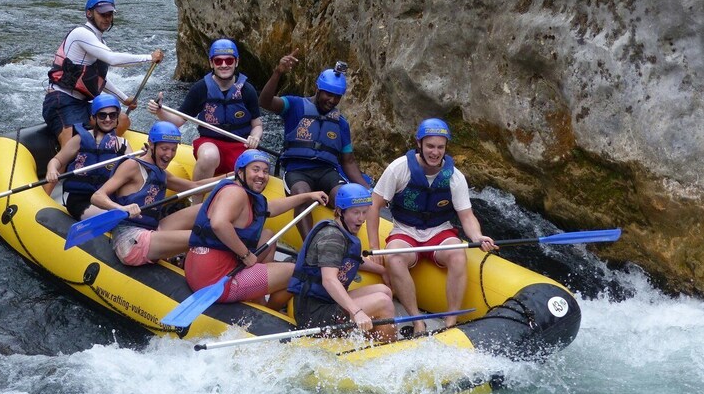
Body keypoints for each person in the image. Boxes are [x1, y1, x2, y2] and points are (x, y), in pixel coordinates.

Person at [367, 118, 497, 334]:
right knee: (394, 257)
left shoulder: (455, 177)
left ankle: (451, 319)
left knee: (457, 255)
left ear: (445, 147)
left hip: (439, 231)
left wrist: (477, 237)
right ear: (419, 143)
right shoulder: (399, 169)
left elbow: (466, 215)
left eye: (440, 147)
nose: (435, 152)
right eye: (430, 146)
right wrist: (374, 247)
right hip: (405, 230)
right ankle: (417, 320)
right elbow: (374, 205)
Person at [184, 149, 328, 311]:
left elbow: (271, 208)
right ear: (240, 172)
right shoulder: (235, 193)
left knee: (268, 236)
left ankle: (258, 296)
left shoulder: (241, 192)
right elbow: (219, 223)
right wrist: (245, 255)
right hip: (216, 281)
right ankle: (269, 310)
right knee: (299, 272)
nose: (262, 175)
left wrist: (307, 196)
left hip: (199, 270)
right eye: (255, 169)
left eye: (266, 171)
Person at [258, 51, 368, 239]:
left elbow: (348, 161)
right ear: (318, 89)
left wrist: (366, 191)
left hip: (327, 173)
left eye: (337, 97)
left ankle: (343, 242)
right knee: (303, 194)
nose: (332, 100)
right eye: (328, 94)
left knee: (345, 196)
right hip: (297, 171)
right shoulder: (295, 105)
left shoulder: (341, 123)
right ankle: (309, 246)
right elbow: (264, 102)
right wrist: (278, 72)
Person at [43, 0, 164, 148]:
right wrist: (149, 57)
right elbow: (112, 59)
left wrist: (123, 98)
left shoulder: (99, 41)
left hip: (82, 103)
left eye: (110, 14)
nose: (107, 18)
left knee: (122, 120)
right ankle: (62, 164)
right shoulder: (81, 34)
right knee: (71, 146)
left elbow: (99, 79)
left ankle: (97, 155)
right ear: (89, 13)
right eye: (102, 14)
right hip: (61, 100)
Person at [90, 122, 218, 266]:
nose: (169, 155)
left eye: (173, 149)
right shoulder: (132, 166)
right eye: (164, 148)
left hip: (151, 229)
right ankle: (186, 260)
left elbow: (195, 186)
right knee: (202, 236)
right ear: (151, 144)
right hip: (129, 240)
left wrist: (234, 175)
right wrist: (121, 208)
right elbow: (97, 196)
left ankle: (181, 256)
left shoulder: (160, 172)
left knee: (207, 207)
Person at [147, 38, 262, 198]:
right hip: (210, 143)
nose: (224, 65)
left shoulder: (247, 90)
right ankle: (197, 202)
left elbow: (257, 125)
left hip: (240, 145)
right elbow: (179, 121)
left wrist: (255, 137)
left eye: (229, 60)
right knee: (209, 155)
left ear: (236, 62)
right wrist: (159, 112)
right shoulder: (201, 88)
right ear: (211, 63)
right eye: (218, 61)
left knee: (257, 166)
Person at [288, 184, 396, 342]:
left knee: (384, 291)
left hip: (329, 302)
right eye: (355, 212)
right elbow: (329, 280)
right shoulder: (332, 238)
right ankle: (388, 347)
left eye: (365, 212)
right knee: (384, 302)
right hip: (314, 314)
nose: (361, 218)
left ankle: (370, 338)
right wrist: (356, 311)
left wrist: (383, 270)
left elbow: (355, 259)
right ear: (340, 211)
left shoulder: (343, 232)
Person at [45, 94, 132, 217]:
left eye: (112, 115)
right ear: (94, 117)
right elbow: (56, 160)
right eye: (102, 115)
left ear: (117, 118)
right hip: (80, 198)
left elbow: (136, 169)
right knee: (111, 215)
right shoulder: (80, 139)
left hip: (107, 197)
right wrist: (52, 169)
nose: (107, 119)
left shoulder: (122, 145)